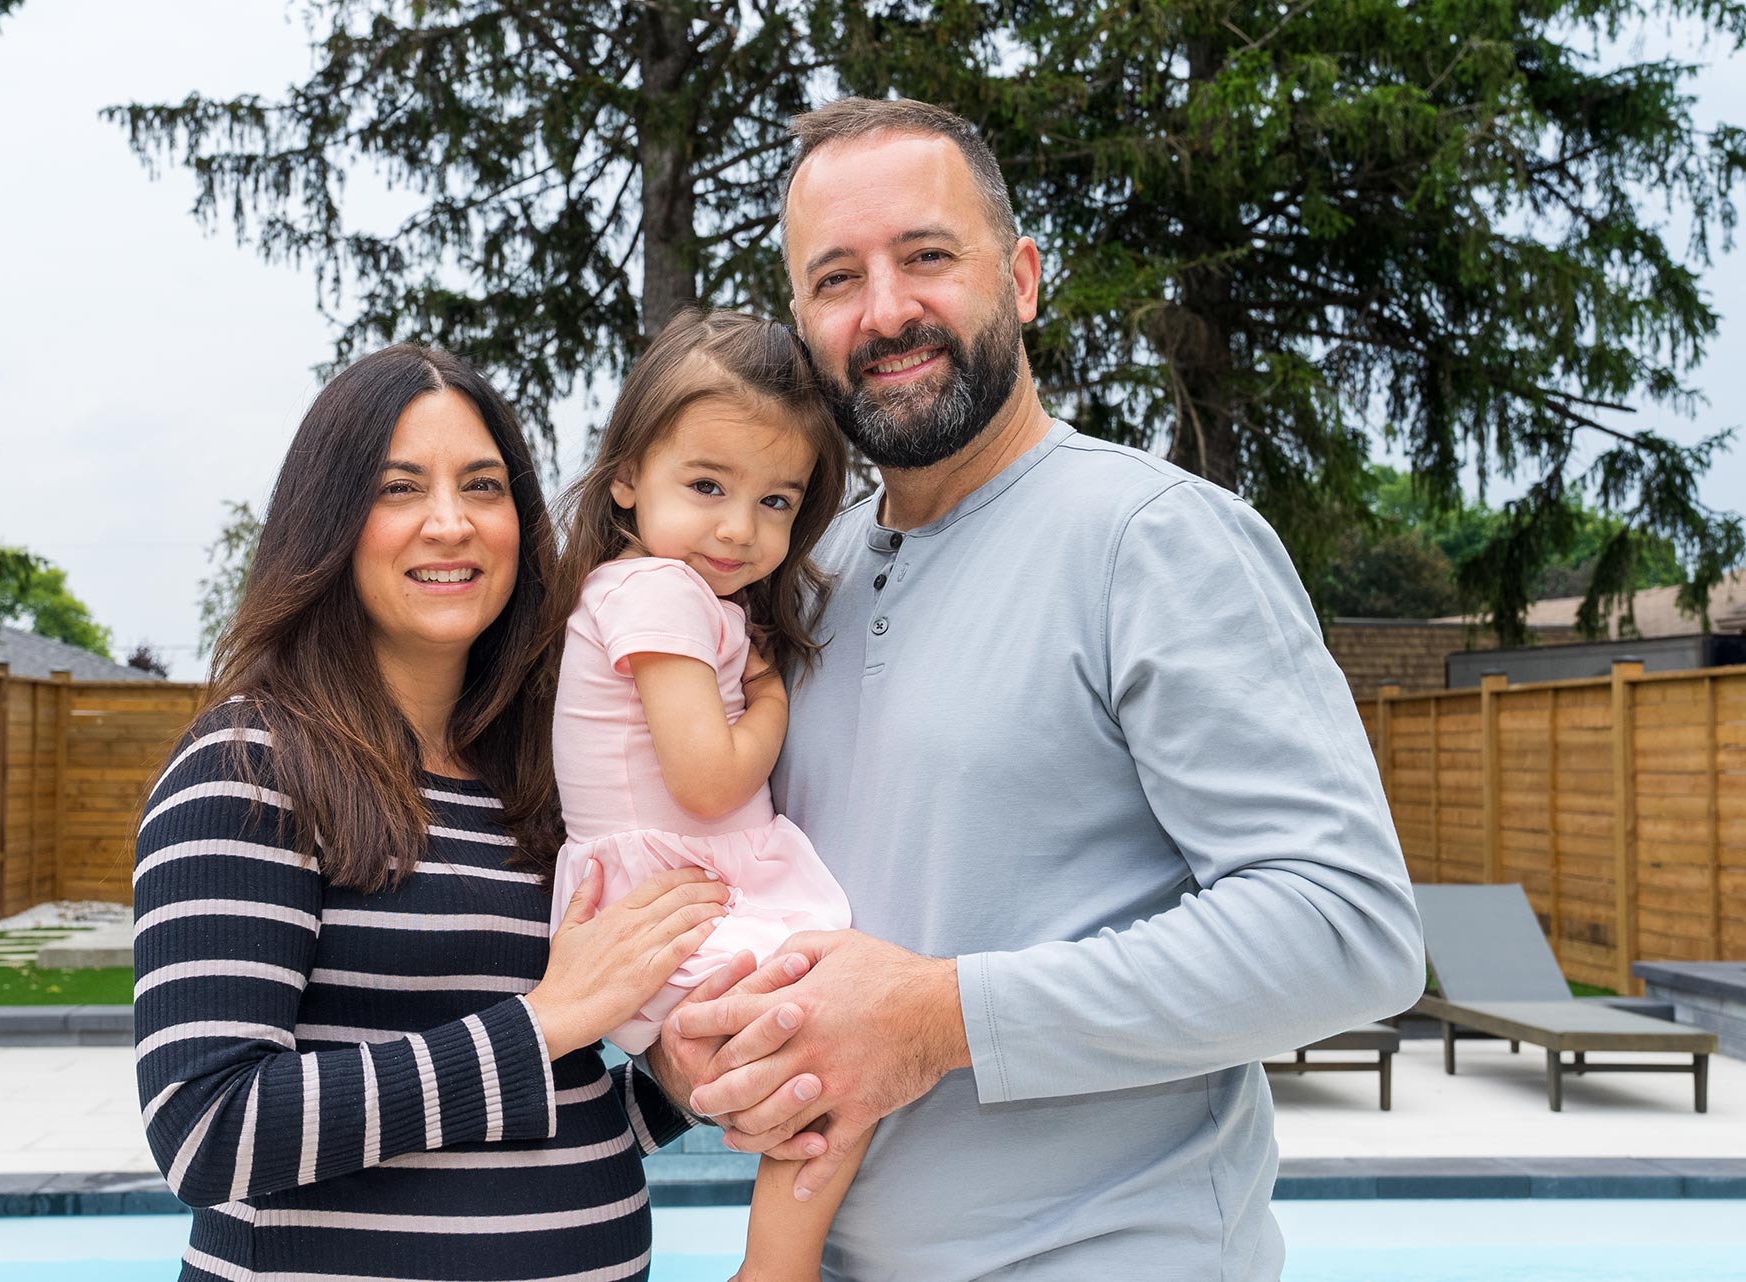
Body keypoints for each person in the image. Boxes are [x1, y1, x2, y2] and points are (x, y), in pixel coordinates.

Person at [650, 98, 1428, 1280]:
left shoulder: (1153, 540)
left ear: (1019, 280)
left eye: (926, 256)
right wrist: (688, 1050)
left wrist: (937, 1020)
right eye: (837, 278)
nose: (885, 311)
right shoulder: (804, 580)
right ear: (803, 327)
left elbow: (1347, 929)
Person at [133, 344, 735, 1281]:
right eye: (399, 488)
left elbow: (540, 1107)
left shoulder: (538, 776)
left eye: (483, 487)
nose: (450, 523)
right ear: (328, 522)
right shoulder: (251, 766)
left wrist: (674, 1086)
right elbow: (209, 1131)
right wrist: (541, 1022)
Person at [544, 309, 864, 1281]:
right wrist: (771, 700)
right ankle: (774, 1271)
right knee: (842, 1053)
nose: (739, 528)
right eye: (708, 486)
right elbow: (710, 777)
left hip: (670, 898)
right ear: (628, 476)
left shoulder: (657, 591)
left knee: (818, 1064)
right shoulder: (660, 593)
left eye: (776, 500)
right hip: (672, 905)